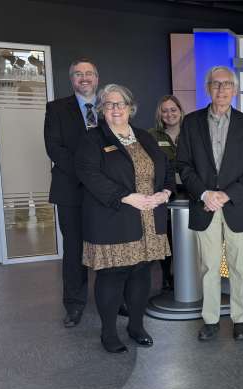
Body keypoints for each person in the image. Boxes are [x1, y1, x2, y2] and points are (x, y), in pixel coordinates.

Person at [75, 84, 175, 353]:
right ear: (101, 110)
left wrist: (165, 192)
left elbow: (165, 168)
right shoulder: (92, 140)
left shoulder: (145, 137)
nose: (116, 109)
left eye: (120, 104)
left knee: (142, 273)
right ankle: (108, 333)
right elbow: (90, 176)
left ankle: (136, 326)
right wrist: (126, 197)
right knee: (112, 277)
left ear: (131, 108)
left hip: (148, 219)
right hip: (113, 218)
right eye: (109, 104)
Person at [177, 66, 243, 342]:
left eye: (227, 84)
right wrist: (205, 194)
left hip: (235, 205)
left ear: (234, 90)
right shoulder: (190, 122)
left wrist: (226, 195)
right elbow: (183, 165)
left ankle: (240, 318)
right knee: (209, 267)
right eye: (216, 84)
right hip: (205, 207)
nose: (222, 89)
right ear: (208, 88)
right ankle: (211, 319)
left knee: (239, 266)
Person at [44, 58, 99, 328]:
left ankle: (113, 300)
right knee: (75, 250)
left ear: (97, 78)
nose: (84, 78)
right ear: (72, 79)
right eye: (78, 74)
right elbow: (54, 149)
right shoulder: (56, 109)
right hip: (71, 190)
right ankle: (75, 305)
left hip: (108, 192)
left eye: (89, 73)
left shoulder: (111, 105)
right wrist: (87, 174)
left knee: (110, 246)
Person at [148, 95, 184, 291]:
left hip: (190, 191)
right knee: (167, 235)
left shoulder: (191, 132)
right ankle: (166, 276)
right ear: (159, 114)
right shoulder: (151, 135)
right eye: (165, 110)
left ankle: (186, 275)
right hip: (164, 191)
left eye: (173, 109)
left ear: (180, 110)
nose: (169, 114)